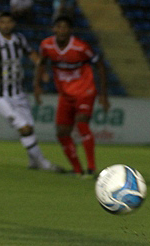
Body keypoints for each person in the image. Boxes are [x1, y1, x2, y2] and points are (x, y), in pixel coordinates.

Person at [35, 16, 109, 177]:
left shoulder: (80, 47)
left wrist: (104, 94)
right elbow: (41, 62)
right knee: (61, 132)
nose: (61, 30)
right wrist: (37, 86)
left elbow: (100, 64)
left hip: (85, 91)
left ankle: (91, 168)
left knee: (82, 123)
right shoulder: (46, 45)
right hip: (65, 94)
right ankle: (77, 170)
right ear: (54, 29)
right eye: (58, 27)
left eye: (65, 27)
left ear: (70, 30)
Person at [0, 12, 60, 171]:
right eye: (2, 22)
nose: (5, 25)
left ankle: (33, 162)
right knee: (24, 127)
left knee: (29, 128)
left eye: (9, 22)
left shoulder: (19, 39)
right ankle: (42, 162)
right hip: (0, 95)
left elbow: (32, 54)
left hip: (18, 92)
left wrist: (42, 70)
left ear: (13, 23)